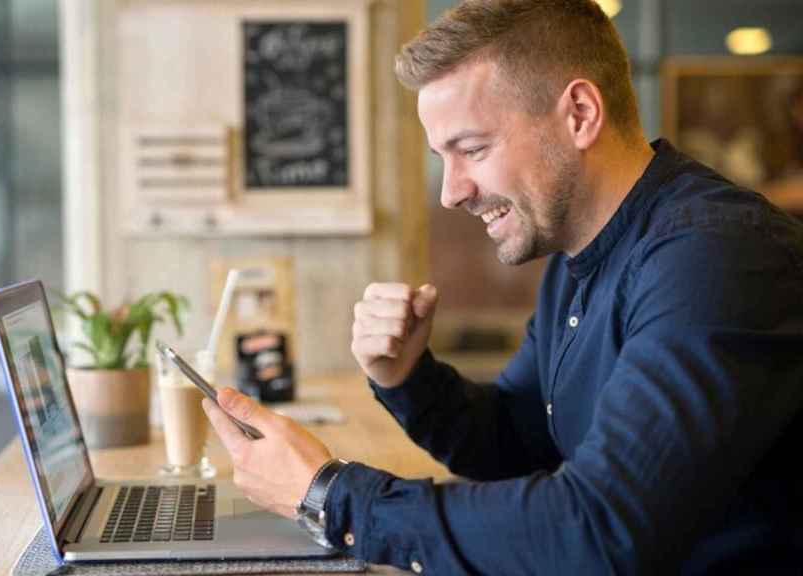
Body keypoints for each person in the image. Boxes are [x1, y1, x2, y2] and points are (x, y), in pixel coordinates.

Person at [201, 0, 803, 573]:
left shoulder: (717, 257)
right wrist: (407, 377)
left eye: (473, 149)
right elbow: (515, 440)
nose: (451, 191)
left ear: (580, 114)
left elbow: (596, 533)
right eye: (444, 156)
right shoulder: (579, 253)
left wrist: (331, 496)